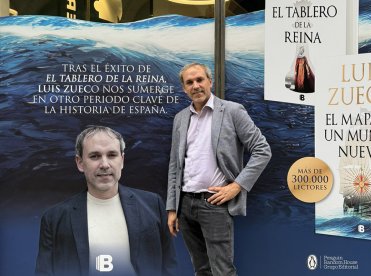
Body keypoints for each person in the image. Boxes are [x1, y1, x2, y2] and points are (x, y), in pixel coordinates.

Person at [166, 63, 272, 275]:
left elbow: (262, 150)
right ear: (184, 88)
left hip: (214, 204)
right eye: (190, 82)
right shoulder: (180, 119)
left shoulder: (232, 111)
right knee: (202, 270)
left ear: (210, 82)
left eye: (200, 80)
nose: (196, 86)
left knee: (222, 271)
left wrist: (237, 186)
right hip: (185, 205)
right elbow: (175, 165)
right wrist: (172, 208)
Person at [35, 126, 176, 276]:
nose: (104, 164)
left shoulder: (153, 205)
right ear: (80, 163)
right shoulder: (54, 218)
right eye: (95, 156)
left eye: (112, 155)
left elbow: (170, 267)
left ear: (122, 160)